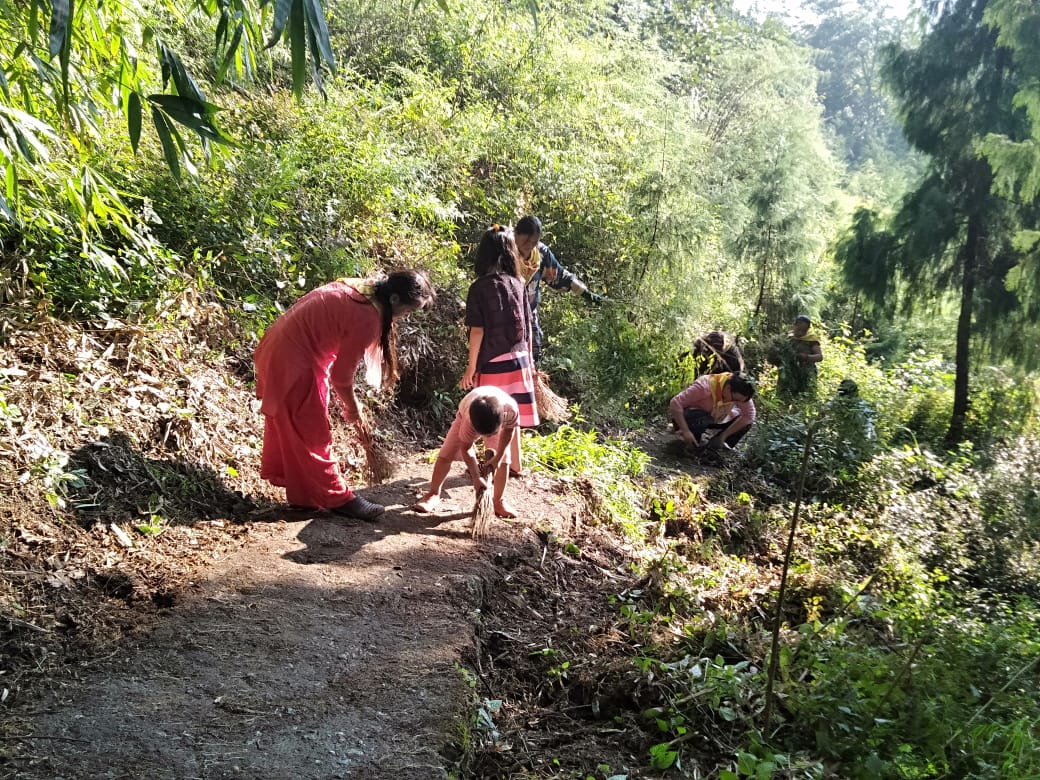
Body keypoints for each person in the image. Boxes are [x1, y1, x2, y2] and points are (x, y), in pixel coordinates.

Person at [254, 270, 435, 519]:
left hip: (279, 350)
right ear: (394, 299)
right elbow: (341, 376)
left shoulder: (364, 289)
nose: (406, 317)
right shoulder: (367, 316)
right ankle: (340, 498)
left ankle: (305, 499)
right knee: (313, 435)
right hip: (294, 363)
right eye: (408, 310)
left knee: (294, 429)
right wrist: (352, 406)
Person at [461, 225, 539, 498]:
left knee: (493, 414)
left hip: (494, 362)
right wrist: (530, 361)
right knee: (511, 413)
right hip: (520, 359)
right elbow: (528, 326)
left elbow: (478, 331)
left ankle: (493, 464)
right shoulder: (518, 283)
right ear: (510, 253)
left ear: (483, 254)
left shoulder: (479, 288)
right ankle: (515, 463)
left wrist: (471, 367)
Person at [413, 386, 519, 518]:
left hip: (496, 418)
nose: (486, 437)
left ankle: (498, 501)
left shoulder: (510, 410)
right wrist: (476, 477)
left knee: (504, 461)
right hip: (468, 413)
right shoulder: (469, 418)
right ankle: (433, 493)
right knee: (446, 454)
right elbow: (466, 448)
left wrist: (498, 457)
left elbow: (509, 432)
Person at [512, 215, 603, 362]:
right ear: (516, 233)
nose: (529, 246)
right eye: (526, 241)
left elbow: (561, 276)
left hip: (528, 314)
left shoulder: (540, 253)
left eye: (533, 242)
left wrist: (587, 294)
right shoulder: (503, 250)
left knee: (533, 356)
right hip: (503, 314)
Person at [670, 372, 757, 451]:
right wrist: (686, 431)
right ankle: (685, 437)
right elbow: (676, 402)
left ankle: (717, 444)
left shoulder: (741, 394)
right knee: (697, 421)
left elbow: (749, 415)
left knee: (746, 423)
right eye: (735, 399)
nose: (736, 402)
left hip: (717, 418)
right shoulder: (704, 387)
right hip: (693, 417)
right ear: (728, 388)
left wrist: (723, 436)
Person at [773, 315, 823, 400]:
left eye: (804, 331)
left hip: (806, 373)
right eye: (799, 329)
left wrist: (806, 357)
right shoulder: (787, 338)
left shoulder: (811, 339)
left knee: (806, 397)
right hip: (789, 373)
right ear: (794, 325)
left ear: (807, 329)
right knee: (784, 396)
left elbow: (819, 356)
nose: (800, 332)